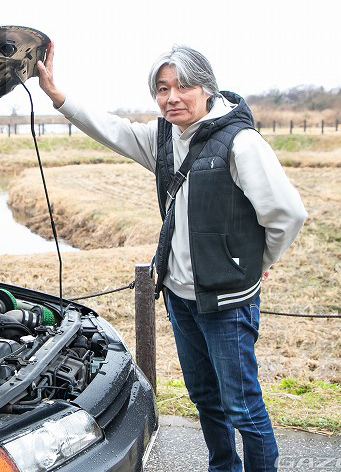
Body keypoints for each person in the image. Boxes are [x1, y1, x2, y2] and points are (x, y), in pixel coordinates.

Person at [37, 42, 307, 472]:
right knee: (205, 398)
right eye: (163, 89)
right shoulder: (163, 139)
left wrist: (256, 263)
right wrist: (58, 97)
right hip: (180, 298)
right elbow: (113, 129)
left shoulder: (240, 143)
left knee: (242, 406)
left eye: (184, 86)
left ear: (207, 88)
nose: (172, 97)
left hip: (226, 303)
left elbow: (288, 214)